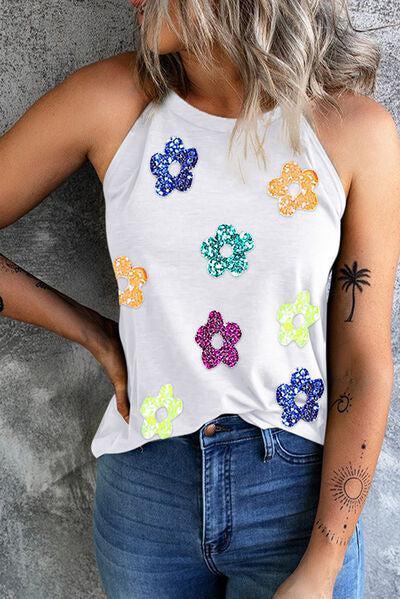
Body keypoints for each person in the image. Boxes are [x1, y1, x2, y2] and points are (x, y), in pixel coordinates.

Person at [1, 0, 399, 597]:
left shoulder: (351, 130)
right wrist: (91, 331)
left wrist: (324, 564)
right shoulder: (111, 103)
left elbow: (363, 365)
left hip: (297, 495)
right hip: (144, 490)